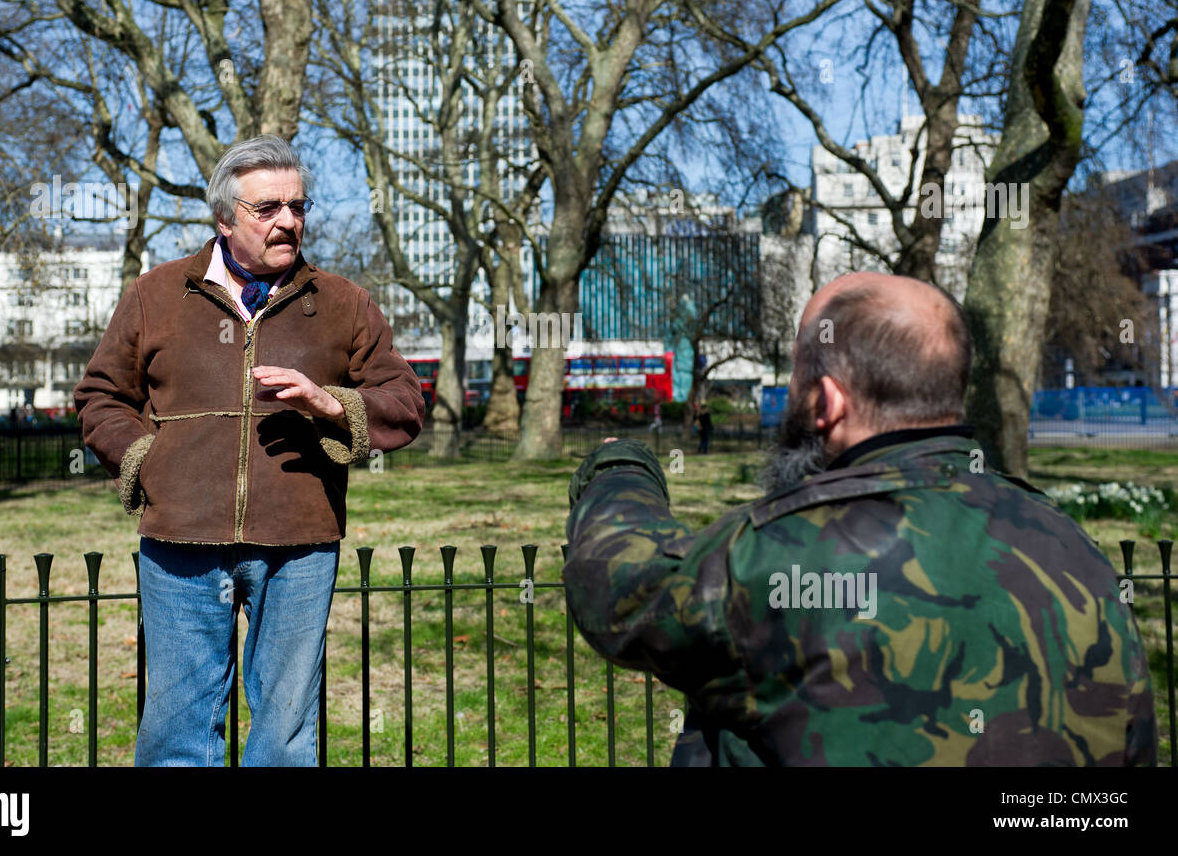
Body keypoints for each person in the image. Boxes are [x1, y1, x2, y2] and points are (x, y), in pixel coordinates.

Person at [563, 271, 1155, 766]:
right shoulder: (1077, 553)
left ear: (828, 401)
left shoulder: (773, 554)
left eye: (797, 373)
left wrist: (621, 467)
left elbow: (618, 589)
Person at [75, 134, 424, 766]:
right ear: (224, 218)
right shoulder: (156, 294)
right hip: (180, 543)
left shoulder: (343, 303)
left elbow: (404, 401)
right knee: (177, 731)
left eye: (298, 206)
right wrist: (144, 462)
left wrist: (328, 405)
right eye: (268, 208)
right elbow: (101, 396)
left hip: (300, 545)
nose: (289, 221)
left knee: (285, 738)